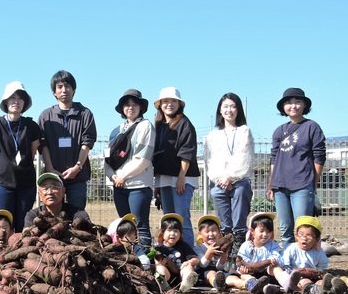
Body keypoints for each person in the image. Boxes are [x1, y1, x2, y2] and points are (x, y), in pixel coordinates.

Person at [266, 88, 326, 248]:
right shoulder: (279, 130)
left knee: (303, 229)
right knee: (285, 230)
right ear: (283, 107)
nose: (293, 106)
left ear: (304, 105)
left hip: (302, 184)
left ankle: (306, 267)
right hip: (280, 186)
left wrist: (314, 183)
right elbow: (274, 159)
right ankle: (288, 266)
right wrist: (271, 184)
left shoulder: (312, 127)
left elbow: (319, 157)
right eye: (288, 102)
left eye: (297, 102)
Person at [203, 92, 254, 262]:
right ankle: (226, 249)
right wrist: (220, 178)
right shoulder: (212, 135)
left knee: (240, 194)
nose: (229, 110)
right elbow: (210, 159)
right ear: (220, 109)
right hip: (219, 182)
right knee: (218, 198)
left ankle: (239, 246)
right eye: (225, 106)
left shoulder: (244, 131)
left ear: (238, 109)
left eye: (233, 106)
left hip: (238, 180)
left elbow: (244, 156)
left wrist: (230, 177)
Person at [0, 81, 41, 232]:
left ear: (25, 102)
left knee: (23, 223)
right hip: (3, 183)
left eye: (20, 98)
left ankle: (21, 255)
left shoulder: (31, 126)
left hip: (26, 184)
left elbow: (33, 150)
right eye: (12, 98)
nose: (16, 101)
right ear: (5, 101)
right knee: (5, 224)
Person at [38, 70, 97, 210]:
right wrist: (51, 169)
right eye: (59, 87)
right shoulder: (46, 116)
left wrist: (78, 167)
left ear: (74, 89)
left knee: (76, 217)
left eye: (68, 86)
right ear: (54, 92)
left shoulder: (85, 113)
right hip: (53, 178)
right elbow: (42, 144)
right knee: (53, 217)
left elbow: (87, 142)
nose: (64, 90)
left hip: (78, 177)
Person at [104, 89, 155, 249]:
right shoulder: (116, 130)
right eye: (127, 105)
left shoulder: (146, 126)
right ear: (122, 109)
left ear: (141, 107)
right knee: (125, 225)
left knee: (140, 225)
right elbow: (108, 158)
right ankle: (130, 258)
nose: (130, 108)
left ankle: (146, 259)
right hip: (119, 185)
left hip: (138, 185)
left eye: (135, 104)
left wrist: (123, 176)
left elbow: (143, 159)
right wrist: (112, 176)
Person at [152, 87, 199, 246]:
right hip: (164, 179)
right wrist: (157, 184)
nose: (169, 104)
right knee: (169, 220)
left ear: (180, 104)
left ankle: (189, 256)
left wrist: (181, 177)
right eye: (165, 101)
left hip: (182, 178)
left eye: (173, 101)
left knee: (182, 218)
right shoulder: (159, 125)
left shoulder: (185, 124)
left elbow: (187, 152)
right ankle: (172, 254)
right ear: (160, 105)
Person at [270, 216, 347, 294]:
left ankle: (332, 290)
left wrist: (318, 272)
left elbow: (323, 267)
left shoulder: (318, 252)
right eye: (301, 235)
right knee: (305, 281)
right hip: (297, 278)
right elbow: (285, 266)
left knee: (321, 282)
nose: (304, 239)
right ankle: (314, 291)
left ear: (316, 239)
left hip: (314, 276)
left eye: (309, 236)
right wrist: (295, 273)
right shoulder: (290, 248)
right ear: (296, 235)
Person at [235, 212, 282, 294]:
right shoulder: (246, 246)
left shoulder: (273, 245)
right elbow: (243, 261)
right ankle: (254, 285)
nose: (265, 234)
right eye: (261, 231)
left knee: (276, 269)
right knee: (244, 276)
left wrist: (273, 262)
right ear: (252, 231)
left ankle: (270, 286)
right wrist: (243, 269)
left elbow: (275, 257)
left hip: (267, 273)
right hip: (251, 274)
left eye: (268, 232)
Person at [23, 173, 92, 228]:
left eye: (54, 187)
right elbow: (26, 235)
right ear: (40, 195)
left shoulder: (78, 214)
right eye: (45, 188)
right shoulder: (32, 215)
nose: (50, 192)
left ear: (63, 191)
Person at [153, 213, 198, 292]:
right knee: (160, 268)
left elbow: (196, 259)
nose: (172, 234)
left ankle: (185, 285)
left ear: (180, 234)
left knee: (189, 267)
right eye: (169, 230)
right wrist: (158, 263)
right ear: (162, 233)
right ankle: (163, 285)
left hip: (181, 276)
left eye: (176, 231)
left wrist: (189, 262)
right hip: (167, 275)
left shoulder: (183, 245)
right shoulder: (158, 249)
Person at [193, 215, 232, 293]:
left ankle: (248, 284)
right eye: (207, 231)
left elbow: (220, 267)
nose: (211, 234)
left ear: (219, 232)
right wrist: (209, 252)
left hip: (220, 273)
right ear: (200, 234)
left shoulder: (221, 247)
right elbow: (202, 264)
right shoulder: (198, 248)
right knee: (212, 273)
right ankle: (218, 285)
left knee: (232, 278)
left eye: (214, 231)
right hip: (204, 274)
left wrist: (224, 256)